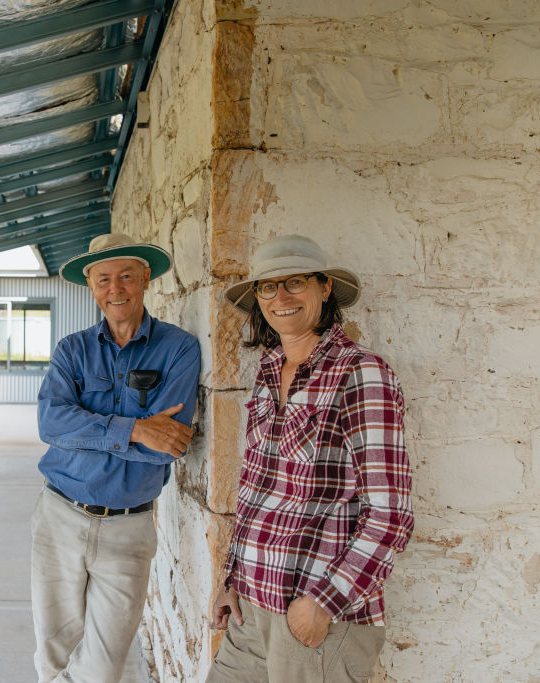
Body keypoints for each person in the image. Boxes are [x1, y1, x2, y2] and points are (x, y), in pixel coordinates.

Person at [207, 234, 414, 683]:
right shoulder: (266, 371)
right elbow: (257, 489)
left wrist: (322, 603)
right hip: (250, 606)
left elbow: (391, 514)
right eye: (267, 287)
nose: (280, 297)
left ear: (324, 289)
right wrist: (231, 578)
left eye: (295, 282)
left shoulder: (361, 373)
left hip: (315, 618)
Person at [32, 233, 201, 683]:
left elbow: (165, 447)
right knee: (53, 654)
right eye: (104, 278)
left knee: (103, 666)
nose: (116, 288)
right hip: (59, 516)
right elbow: (51, 425)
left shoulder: (179, 349)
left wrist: (90, 429)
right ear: (91, 286)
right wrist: (137, 426)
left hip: (129, 527)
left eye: (127, 276)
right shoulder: (72, 351)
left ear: (145, 279)